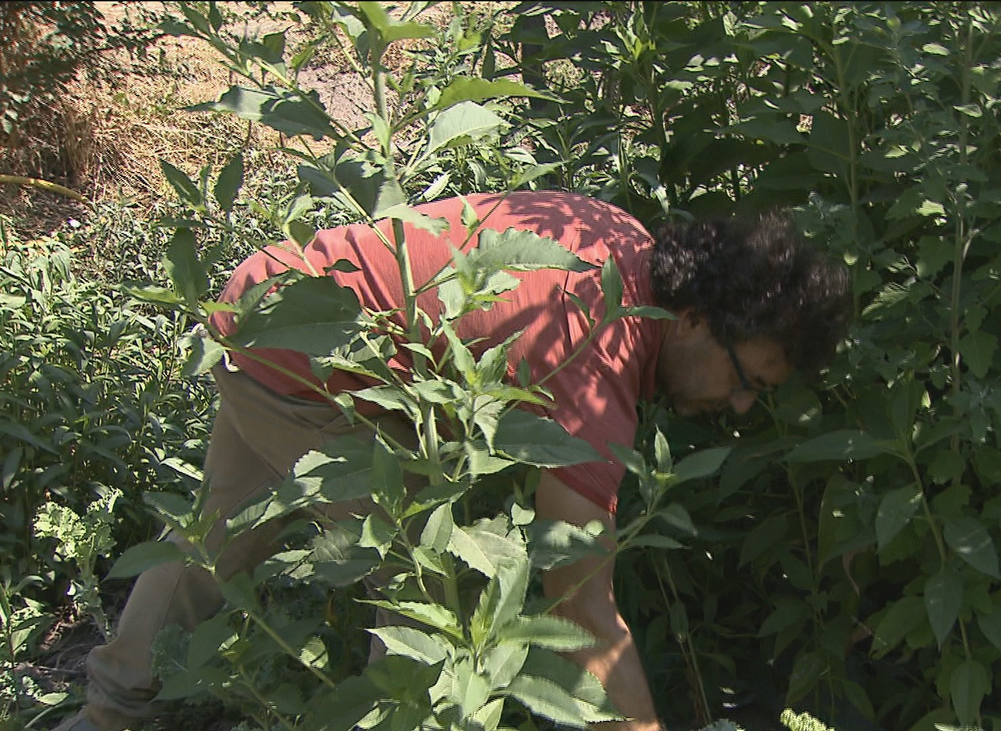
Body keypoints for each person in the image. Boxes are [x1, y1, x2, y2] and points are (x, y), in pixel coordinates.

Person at [55, 190, 851, 731]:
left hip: (276, 298)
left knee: (215, 535)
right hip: (307, 349)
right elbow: (576, 598)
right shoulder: (597, 354)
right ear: (692, 319)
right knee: (418, 594)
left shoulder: (620, 243)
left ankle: (103, 713)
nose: (742, 407)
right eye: (749, 379)